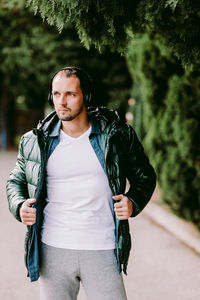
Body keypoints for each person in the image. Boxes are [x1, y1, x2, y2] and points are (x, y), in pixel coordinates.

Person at [7, 66, 156, 300]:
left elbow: (145, 176)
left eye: (70, 94)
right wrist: (19, 205)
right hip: (52, 248)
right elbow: (15, 180)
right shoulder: (34, 140)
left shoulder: (117, 135)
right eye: (56, 94)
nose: (62, 102)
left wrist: (133, 202)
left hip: (102, 247)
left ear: (86, 97)